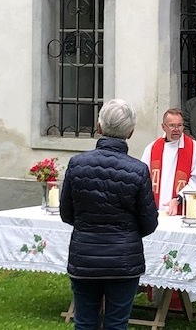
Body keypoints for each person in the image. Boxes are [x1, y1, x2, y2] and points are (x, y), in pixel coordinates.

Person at [60, 99, 158, 330]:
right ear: (131, 132)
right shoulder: (137, 170)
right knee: (117, 324)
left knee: (84, 322)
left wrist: (88, 225)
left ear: (99, 127)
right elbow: (148, 222)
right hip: (123, 259)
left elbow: (66, 213)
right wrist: (127, 232)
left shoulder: (77, 164)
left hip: (85, 255)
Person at [141, 108, 196, 215]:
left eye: (179, 125)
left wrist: (178, 199)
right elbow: (143, 178)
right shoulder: (152, 148)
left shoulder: (194, 148)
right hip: (155, 211)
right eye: (172, 125)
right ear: (163, 127)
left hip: (182, 211)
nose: (176, 129)